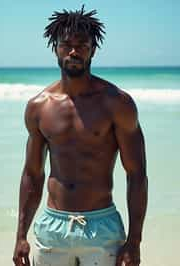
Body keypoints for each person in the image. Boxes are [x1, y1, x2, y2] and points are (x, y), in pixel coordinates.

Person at [13, 6, 148, 266]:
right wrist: (20, 235)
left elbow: (137, 174)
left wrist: (134, 241)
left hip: (101, 226)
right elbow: (32, 173)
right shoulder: (38, 107)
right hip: (53, 227)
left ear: (93, 49)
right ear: (55, 48)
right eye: (66, 45)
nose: (74, 51)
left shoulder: (117, 104)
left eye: (82, 45)